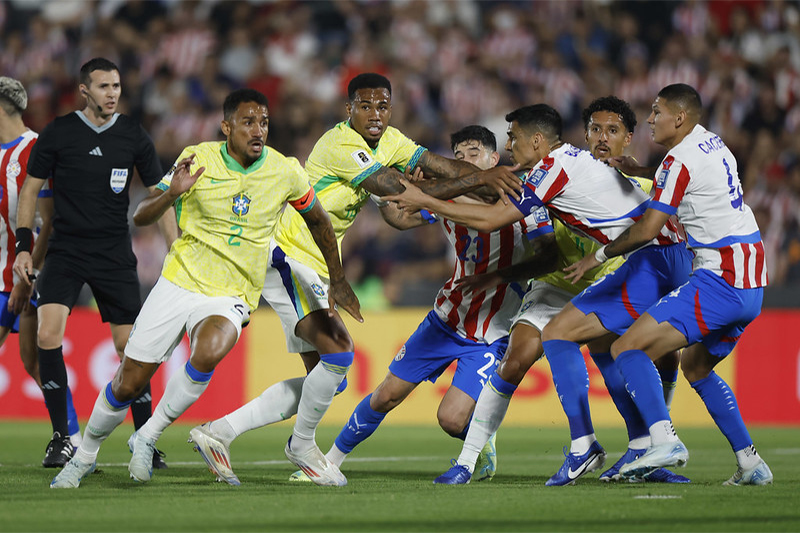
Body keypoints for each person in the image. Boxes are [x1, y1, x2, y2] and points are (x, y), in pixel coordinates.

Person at [186, 73, 523, 487]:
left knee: (325, 377)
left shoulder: (393, 140)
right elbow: (397, 192)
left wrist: (475, 177)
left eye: (383, 106)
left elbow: (435, 165)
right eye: (365, 106)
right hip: (290, 253)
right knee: (341, 355)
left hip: (314, 263)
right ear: (350, 110)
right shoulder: (340, 143)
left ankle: (219, 433)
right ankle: (302, 445)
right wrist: (479, 178)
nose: (375, 115)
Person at [50, 87, 361, 489]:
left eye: (264, 122)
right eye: (248, 122)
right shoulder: (198, 158)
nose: (258, 130)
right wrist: (172, 194)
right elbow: (142, 213)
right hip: (180, 281)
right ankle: (86, 454)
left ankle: (148, 435)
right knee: (129, 382)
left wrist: (337, 278)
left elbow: (318, 220)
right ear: (226, 127)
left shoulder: (285, 170)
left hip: (231, 293)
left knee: (211, 349)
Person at [383, 103, 691, 486]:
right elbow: (484, 194)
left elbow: (496, 217)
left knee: (626, 351)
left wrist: (424, 198)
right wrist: (425, 192)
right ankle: (470, 460)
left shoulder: (554, 170)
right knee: (535, 355)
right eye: (594, 129)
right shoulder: (559, 167)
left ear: (538, 140)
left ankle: (631, 443)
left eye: (513, 137)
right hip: (570, 279)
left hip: (637, 264)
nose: (509, 144)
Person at [281, 125, 553, 484]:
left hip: (494, 329)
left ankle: (479, 441)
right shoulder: (449, 200)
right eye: (457, 158)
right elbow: (399, 217)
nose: (463, 163)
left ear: (493, 160)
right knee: (384, 396)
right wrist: (391, 197)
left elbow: (544, 251)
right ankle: (329, 462)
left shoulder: (523, 201)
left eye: (473, 155)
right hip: (447, 317)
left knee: (451, 419)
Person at [567, 84, 773, 485]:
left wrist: (599, 256)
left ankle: (664, 440)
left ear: (679, 118)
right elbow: (681, 182)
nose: (649, 119)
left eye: (657, 112)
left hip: (721, 276)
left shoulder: (678, 160)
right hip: (752, 280)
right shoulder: (711, 143)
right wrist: (639, 171)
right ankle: (751, 463)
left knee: (627, 345)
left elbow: (648, 229)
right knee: (697, 367)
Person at [13, 58, 177, 469]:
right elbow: (30, 191)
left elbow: (160, 193)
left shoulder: (131, 135)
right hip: (66, 252)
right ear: (84, 91)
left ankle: (144, 439)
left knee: (130, 347)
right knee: (47, 336)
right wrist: (23, 246)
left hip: (113, 255)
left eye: (117, 86)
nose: (112, 93)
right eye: (103, 86)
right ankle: (61, 439)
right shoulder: (59, 133)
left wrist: (173, 246)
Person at [0, 77, 83, 453]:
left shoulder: (34, 150)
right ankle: (73, 441)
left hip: (25, 275)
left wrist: (29, 271)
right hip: (3, 273)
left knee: (35, 361)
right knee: (34, 361)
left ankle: (71, 439)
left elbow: (48, 219)